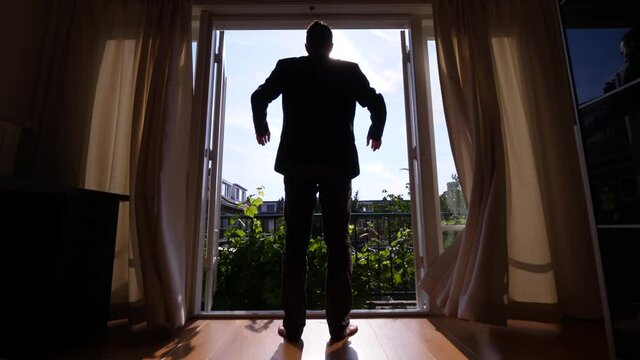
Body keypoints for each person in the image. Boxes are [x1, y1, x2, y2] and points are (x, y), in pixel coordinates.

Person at [251, 20, 386, 343]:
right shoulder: (349, 70)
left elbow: (259, 97)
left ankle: (294, 327)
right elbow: (376, 101)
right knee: (339, 245)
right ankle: (338, 326)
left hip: (297, 165)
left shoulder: (288, 68)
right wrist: (375, 131)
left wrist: (261, 125)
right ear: (331, 45)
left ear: (307, 45)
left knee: (294, 245)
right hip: (337, 166)